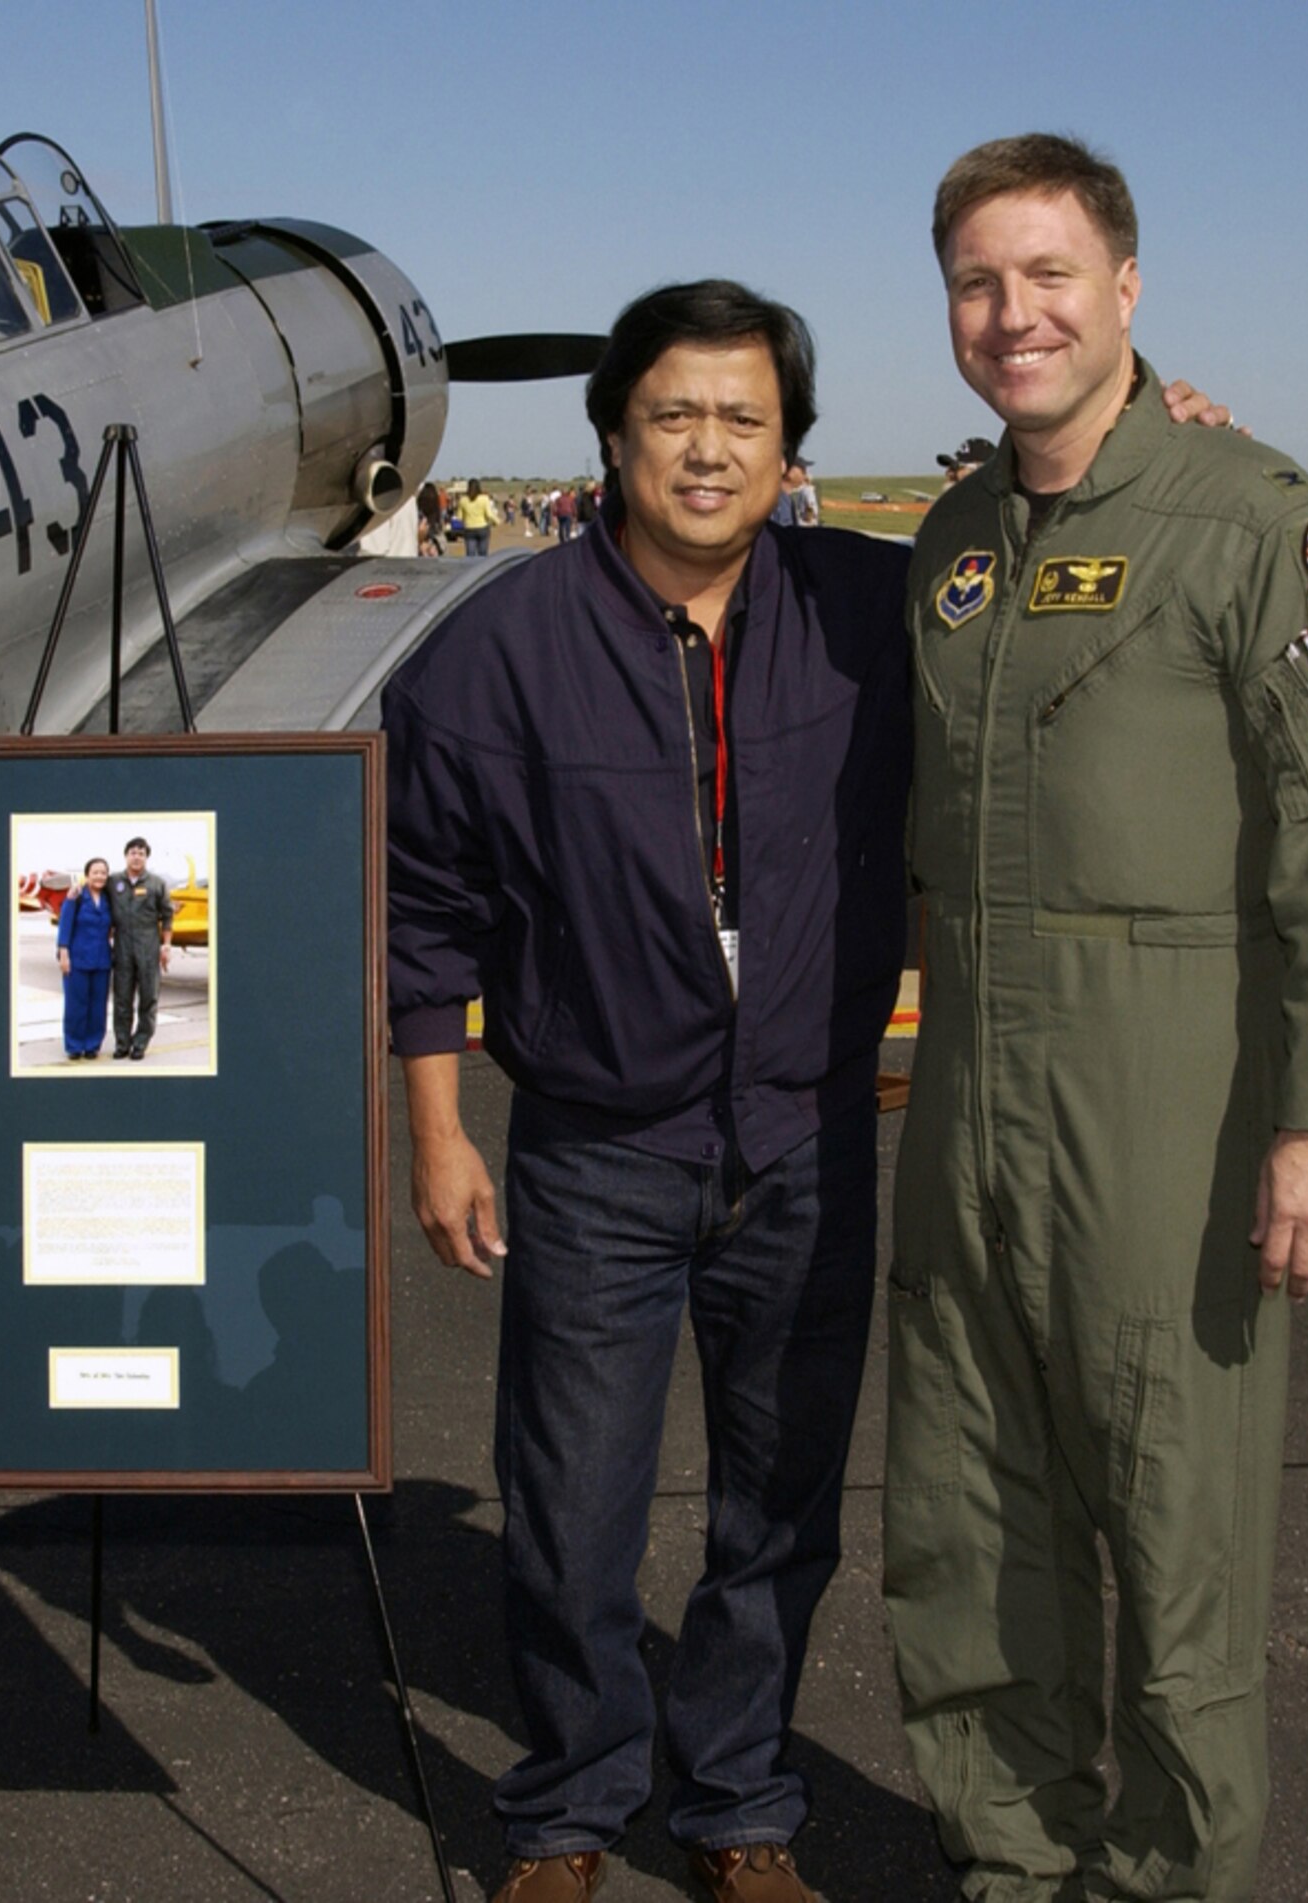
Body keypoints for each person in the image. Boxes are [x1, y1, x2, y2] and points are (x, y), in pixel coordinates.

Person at [884, 133, 1308, 1903]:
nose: (1012, 312)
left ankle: (1170, 1876)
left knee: (1175, 1521)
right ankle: (1012, 1857)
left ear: (1127, 286)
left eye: (1048, 274)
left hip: (1168, 1079)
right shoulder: (953, 537)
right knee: (970, 1509)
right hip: (972, 1089)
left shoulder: (1261, 521)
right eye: (979, 280)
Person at [386, 280, 913, 1903]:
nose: (707, 447)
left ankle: (740, 1796)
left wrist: (1164, 420)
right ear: (614, 434)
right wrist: (439, 1129)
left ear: (791, 447)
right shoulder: (495, 651)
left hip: (812, 1133)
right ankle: (566, 1803)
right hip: (597, 1147)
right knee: (571, 1501)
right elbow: (423, 904)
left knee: (781, 1501)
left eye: (742, 419)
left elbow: (1064, 573)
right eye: (673, 414)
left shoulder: (870, 611)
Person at [109, 836, 175, 1060]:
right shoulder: (113, 881)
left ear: (146, 857)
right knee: (122, 998)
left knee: (148, 998)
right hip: (122, 946)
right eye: (132, 853)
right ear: (126, 856)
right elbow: (95, 897)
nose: (136, 857)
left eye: (141, 853)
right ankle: (122, 1043)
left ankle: (140, 1042)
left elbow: (167, 915)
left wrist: (166, 945)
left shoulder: (157, 883)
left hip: (148, 946)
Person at [54, 857, 114, 1061]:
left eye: (103, 873)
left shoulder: (109, 899)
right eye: (95, 872)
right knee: (75, 1005)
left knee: (98, 1006)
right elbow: (65, 926)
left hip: (102, 961)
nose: (99, 876)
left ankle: (92, 1045)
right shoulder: (76, 897)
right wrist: (63, 953)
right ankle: (74, 1045)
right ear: (87, 875)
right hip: (77, 959)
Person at [457, 478, 500, 557]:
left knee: (470, 554)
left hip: (469, 529)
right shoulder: (484, 498)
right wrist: (497, 521)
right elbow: (489, 514)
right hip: (482, 528)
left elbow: (459, 517)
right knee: (483, 554)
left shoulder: (463, 500)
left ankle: (471, 568)